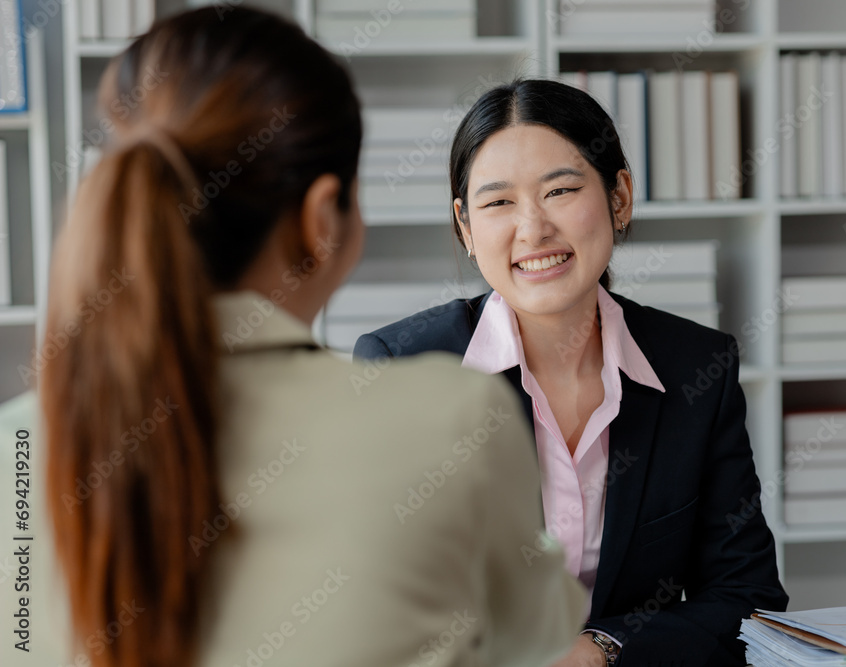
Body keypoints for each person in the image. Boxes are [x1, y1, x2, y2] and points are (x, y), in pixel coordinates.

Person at [17, 10, 586, 667]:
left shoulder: (18, 446)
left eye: (562, 189)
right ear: (322, 220)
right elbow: (536, 632)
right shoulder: (454, 416)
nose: (533, 227)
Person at [354, 78, 789, 666]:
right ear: (465, 227)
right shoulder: (403, 369)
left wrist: (601, 646)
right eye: (498, 202)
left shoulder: (696, 369)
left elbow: (748, 598)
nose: (532, 229)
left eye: (560, 190)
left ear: (620, 198)